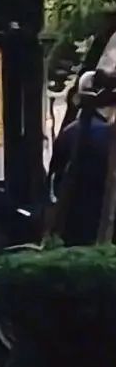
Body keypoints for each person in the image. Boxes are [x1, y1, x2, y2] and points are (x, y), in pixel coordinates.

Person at [48, 68, 116, 245]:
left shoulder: (69, 132)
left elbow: (55, 178)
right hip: (102, 223)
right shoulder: (108, 136)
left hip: (71, 221)